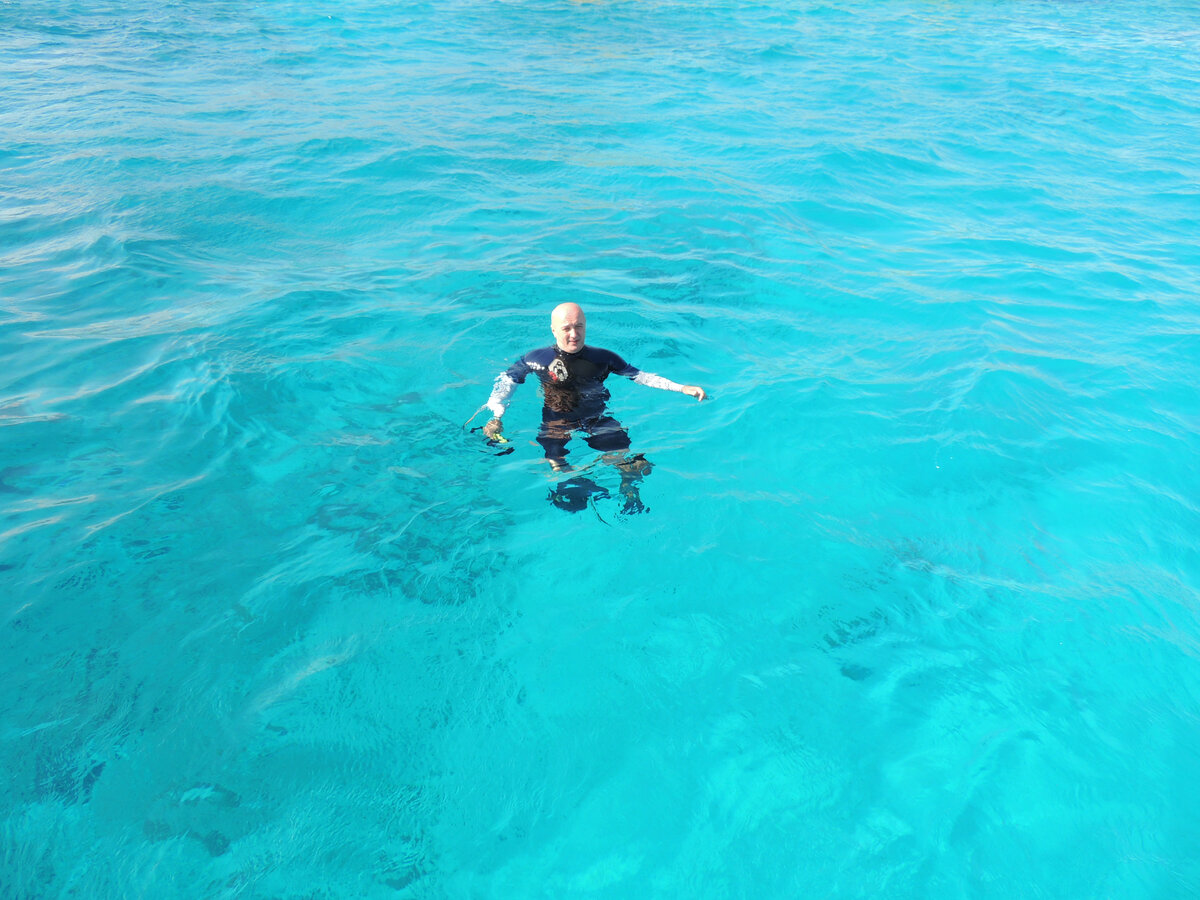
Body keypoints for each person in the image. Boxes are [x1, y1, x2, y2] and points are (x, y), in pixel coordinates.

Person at [482, 303, 706, 513]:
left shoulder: (603, 358)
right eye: (567, 328)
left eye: (579, 326)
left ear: (585, 326)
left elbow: (639, 376)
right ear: (553, 330)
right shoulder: (537, 359)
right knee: (554, 459)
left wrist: (681, 388)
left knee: (631, 462)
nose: (574, 334)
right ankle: (577, 484)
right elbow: (507, 383)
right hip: (557, 420)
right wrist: (497, 415)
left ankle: (630, 493)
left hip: (597, 417)